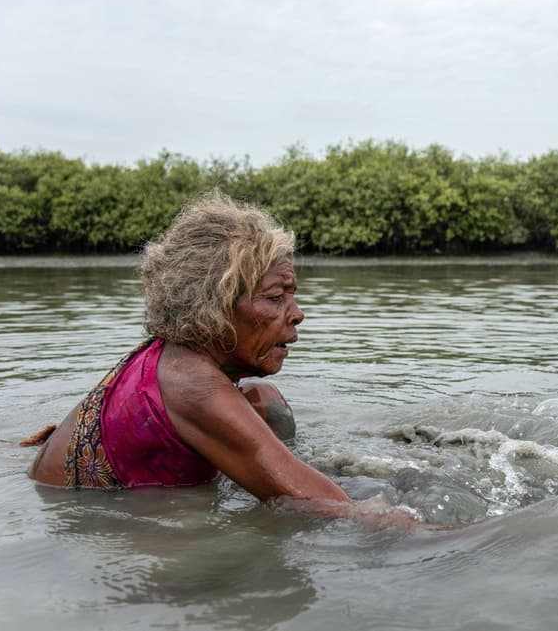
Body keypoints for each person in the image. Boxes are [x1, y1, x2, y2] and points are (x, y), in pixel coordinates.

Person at [25, 191, 416, 527]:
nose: (297, 313)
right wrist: (444, 540)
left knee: (264, 399)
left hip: (94, 497)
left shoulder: (173, 358)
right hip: (99, 521)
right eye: (275, 297)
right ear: (213, 307)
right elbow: (330, 507)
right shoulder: (192, 384)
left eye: (291, 296)